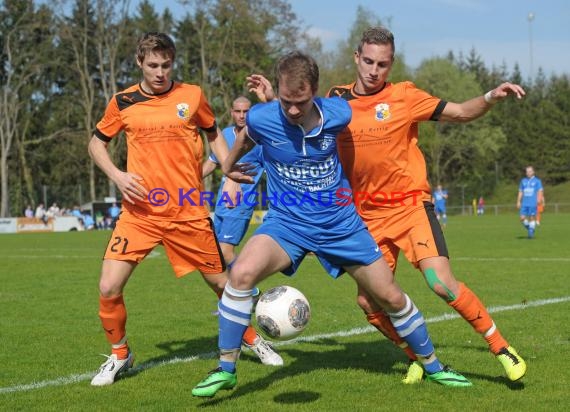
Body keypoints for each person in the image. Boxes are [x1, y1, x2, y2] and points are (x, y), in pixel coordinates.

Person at [192, 51, 471, 398]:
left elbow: (373, 135)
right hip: (287, 224)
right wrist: (229, 165)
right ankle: (225, 369)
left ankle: (434, 366)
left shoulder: (339, 112)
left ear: (317, 92)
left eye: (302, 102)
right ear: (278, 90)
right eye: (287, 101)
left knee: (390, 296)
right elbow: (247, 135)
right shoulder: (263, 116)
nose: (293, 110)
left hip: (341, 225)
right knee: (240, 274)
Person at [324, 26, 526, 383]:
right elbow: (301, 128)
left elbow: (462, 111)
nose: (374, 70)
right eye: (368, 61)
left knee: (441, 283)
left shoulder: (405, 96)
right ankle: (417, 356)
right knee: (368, 304)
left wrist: (491, 96)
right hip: (366, 217)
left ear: (392, 64)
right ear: (356, 57)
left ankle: (501, 348)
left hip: (410, 206)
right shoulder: (335, 99)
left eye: (382, 64)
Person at [87, 32, 281, 387]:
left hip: (187, 213)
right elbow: (96, 144)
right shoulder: (123, 101)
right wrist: (117, 175)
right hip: (139, 215)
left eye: (166, 65)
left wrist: (227, 164)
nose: (160, 72)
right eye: (152, 66)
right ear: (139, 63)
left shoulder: (192, 96)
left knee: (222, 285)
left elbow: (212, 133)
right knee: (108, 286)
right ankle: (119, 354)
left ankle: (252, 338)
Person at [202, 96, 264, 267]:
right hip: (222, 205)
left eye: (246, 111)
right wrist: (186, 179)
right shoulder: (226, 135)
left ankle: (248, 289)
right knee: (216, 255)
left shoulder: (259, 140)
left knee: (225, 253)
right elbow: (212, 163)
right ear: (232, 112)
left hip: (241, 205)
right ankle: (229, 294)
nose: (242, 116)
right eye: (238, 111)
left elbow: (274, 170)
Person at [517, 165, 544, 237]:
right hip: (524, 203)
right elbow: (520, 192)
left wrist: (539, 199)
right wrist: (518, 201)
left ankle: (531, 232)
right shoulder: (523, 181)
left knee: (531, 217)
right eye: (527, 171)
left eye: (530, 171)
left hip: (533, 203)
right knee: (522, 218)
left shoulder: (537, 181)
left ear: (533, 172)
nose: (528, 173)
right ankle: (530, 228)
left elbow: (540, 191)